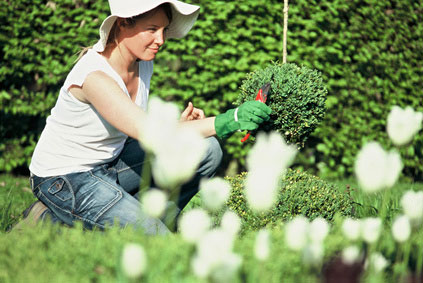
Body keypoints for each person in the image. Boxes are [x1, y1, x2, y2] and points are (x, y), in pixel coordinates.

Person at [14, 0, 272, 234]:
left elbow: (137, 125)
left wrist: (181, 129)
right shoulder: (94, 76)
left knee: (207, 149)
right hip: (66, 178)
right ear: (124, 23)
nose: (161, 39)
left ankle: (157, 219)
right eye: (152, 29)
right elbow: (151, 133)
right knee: (154, 239)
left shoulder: (142, 61)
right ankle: (49, 219)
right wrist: (230, 119)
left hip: (111, 163)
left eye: (164, 30)